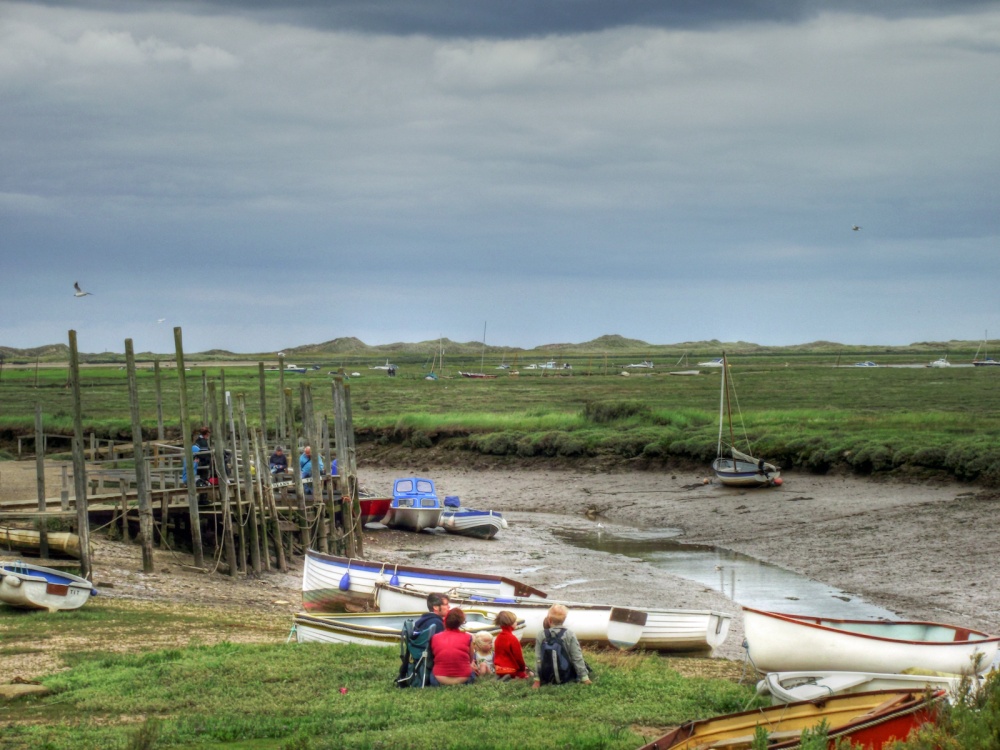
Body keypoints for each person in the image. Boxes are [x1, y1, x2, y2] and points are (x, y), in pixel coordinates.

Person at [532, 604, 591, 688]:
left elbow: (538, 658)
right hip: (566, 676)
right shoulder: (569, 634)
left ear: (549, 620)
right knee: (579, 661)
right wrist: (585, 678)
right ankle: (582, 676)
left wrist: (537, 680)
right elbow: (576, 657)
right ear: (564, 619)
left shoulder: (541, 634)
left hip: (547, 677)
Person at [430, 608, 475, 686]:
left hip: (438, 680)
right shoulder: (468, 637)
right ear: (461, 622)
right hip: (464, 679)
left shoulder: (435, 637)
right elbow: (471, 659)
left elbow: (433, 657)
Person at [493, 610, 531, 680]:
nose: (516, 623)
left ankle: (500, 676)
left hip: (499, 668)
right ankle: (509, 677)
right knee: (525, 675)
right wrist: (522, 668)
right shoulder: (513, 639)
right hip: (511, 669)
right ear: (510, 623)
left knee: (502, 671)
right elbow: (518, 658)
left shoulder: (498, 638)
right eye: (515, 621)